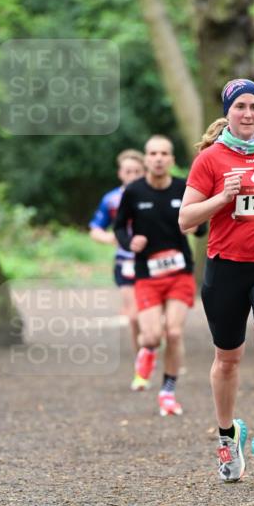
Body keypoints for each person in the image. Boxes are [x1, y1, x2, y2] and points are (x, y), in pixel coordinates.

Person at [179, 78, 254, 482]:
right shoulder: (210, 160)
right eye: (240, 107)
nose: (248, 114)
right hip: (226, 269)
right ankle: (228, 437)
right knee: (227, 360)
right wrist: (221, 198)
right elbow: (185, 219)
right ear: (228, 112)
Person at [114, 135, 206, 416]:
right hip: (147, 274)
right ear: (146, 159)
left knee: (174, 333)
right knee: (152, 336)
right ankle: (148, 351)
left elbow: (201, 226)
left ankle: (167, 392)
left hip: (179, 272)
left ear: (172, 159)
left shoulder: (183, 188)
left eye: (164, 153)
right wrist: (130, 242)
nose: (158, 158)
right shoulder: (134, 191)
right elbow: (119, 227)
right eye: (153, 153)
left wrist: (195, 227)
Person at [88, 149, 145, 355]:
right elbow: (95, 229)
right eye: (128, 171)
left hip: (154, 261)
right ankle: (142, 359)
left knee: (153, 316)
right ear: (120, 173)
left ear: (144, 172)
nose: (133, 176)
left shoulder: (154, 194)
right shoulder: (111, 199)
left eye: (137, 171)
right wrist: (112, 238)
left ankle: (152, 341)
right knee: (134, 316)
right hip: (125, 262)